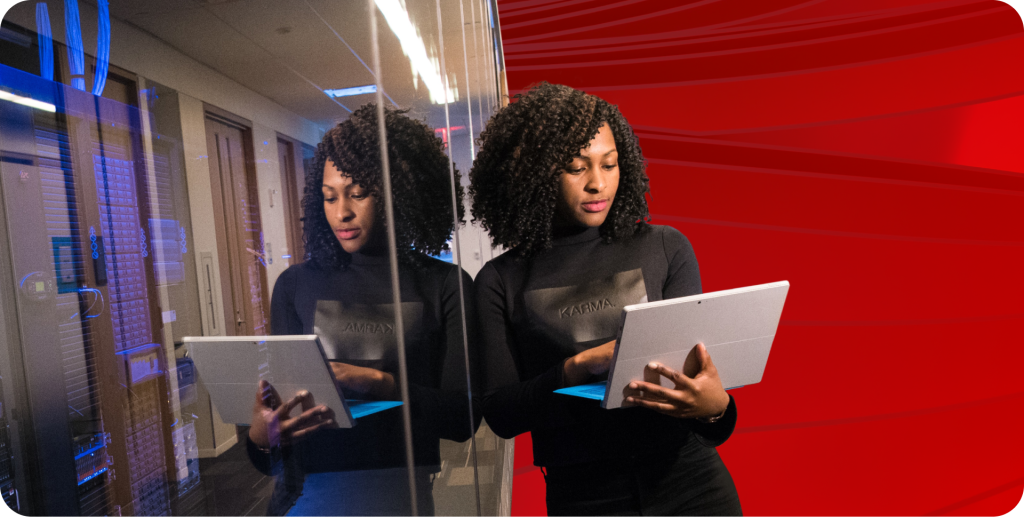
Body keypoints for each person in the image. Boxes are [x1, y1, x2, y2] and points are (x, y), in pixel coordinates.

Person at [469, 82, 742, 517]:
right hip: (584, 497)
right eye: (576, 167)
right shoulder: (499, 280)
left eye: (610, 164)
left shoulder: (666, 247)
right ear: (536, 175)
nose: (598, 183)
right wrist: (575, 369)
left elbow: (701, 392)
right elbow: (501, 414)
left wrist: (715, 410)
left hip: (691, 483)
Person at [246, 104, 479, 517]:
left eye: (357, 193)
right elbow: (275, 452)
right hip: (307, 496)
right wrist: (263, 437)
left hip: (400, 493)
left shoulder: (443, 283)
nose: (342, 213)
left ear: (396, 193)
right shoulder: (295, 285)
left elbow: (462, 420)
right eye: (329, 196)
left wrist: (377, 383)